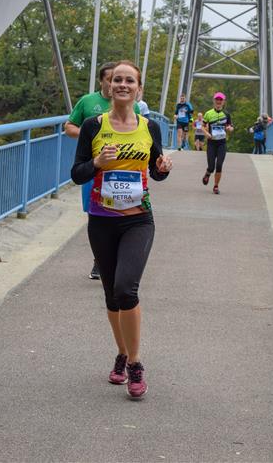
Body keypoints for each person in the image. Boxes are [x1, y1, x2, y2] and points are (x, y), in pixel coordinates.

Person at [71, 60, 173, 398]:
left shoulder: (150, 127)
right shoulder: (93, 126)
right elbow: (77, 173)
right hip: (102, 221)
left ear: (139, 89)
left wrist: (162, 167)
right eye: (117, 80)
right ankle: (122, 353)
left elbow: (156, 170)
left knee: (126, 289)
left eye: (130, 80)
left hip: (138, 220)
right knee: (111, 295)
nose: (123, 85)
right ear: (108, 85)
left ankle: (135, 363)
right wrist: (97, 163)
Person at [65, 62, 141, 280]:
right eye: (112, 79)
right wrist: (90, 135)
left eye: (127, 80)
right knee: (97, 211)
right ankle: (100, 259)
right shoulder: (88, 102)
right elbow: (68, 127)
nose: (116, 84)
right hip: (94, 168)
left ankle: (114, 258)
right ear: (103, 81)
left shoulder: (133, 106)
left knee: (123, 210)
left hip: (123, 171)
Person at [202, 92, 233, 194]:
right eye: (217, 99)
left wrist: (229, 128)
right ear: (214, 101)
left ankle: (216, 186)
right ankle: (208, 173)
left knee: (219, 165)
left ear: (223, 102)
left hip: (222, 143)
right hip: (211, 143)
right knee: (211, 167)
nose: (218, 101)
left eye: (221, 100)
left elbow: (230, 126)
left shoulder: (226, 114)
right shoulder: (208, 113)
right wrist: (206, 133)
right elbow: (202, 126)